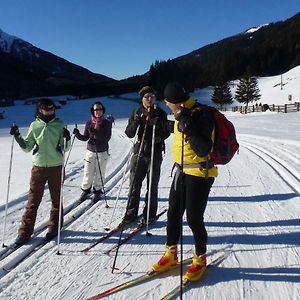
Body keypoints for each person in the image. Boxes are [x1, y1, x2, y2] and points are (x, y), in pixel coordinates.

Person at [151, 82, 218, 282]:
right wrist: (158, 122)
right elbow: (177, 128)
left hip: (200, 173)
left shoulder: (201, 113)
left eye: (167, 102)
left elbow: (203, 149)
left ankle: (200, 259)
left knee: (194, 219)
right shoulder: (182, 113)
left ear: (170, 102)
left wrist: (188, 125)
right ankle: (171, 255)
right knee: (173, 214)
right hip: (181, 172)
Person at [10, 98, 71, 245]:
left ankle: (54, 227)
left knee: (56, 199)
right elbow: (27, 147)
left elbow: (65, 148)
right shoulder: (34, 126)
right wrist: (18, 136)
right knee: (33, 201)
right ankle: (24, 232)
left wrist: (67, 138)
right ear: (40, 109)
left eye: (52, 108)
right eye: (46, 108)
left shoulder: (59, 125)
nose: (50, 111)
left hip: (56, 167)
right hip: (38, 168)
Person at [121, 86, 170, 225]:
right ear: (141, 98)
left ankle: (149, 214)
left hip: (155, 151)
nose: (149, 99)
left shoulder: (160, 112)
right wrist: (138, 120)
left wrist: (158, 123)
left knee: (152, 185)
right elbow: (129, 133)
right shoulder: (136, 112)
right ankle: (130, 214)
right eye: (146, 97)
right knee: (134, 185)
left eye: (152, 96)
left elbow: (166, 133)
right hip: (140, 151)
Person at [73, 101, 112, 202]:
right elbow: (85, 137)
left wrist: (96, 133)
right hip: (90, 151)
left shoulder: (106, 123)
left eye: (100, 109)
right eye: (96, 110)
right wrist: (77, 134)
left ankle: (97, 191)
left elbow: (106, 138)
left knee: (100, 172)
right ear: (93, 111)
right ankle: (86, 190)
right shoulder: (89, 122)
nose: (98, 111)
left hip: (102, 151)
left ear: (103, 111)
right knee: (88, 172)